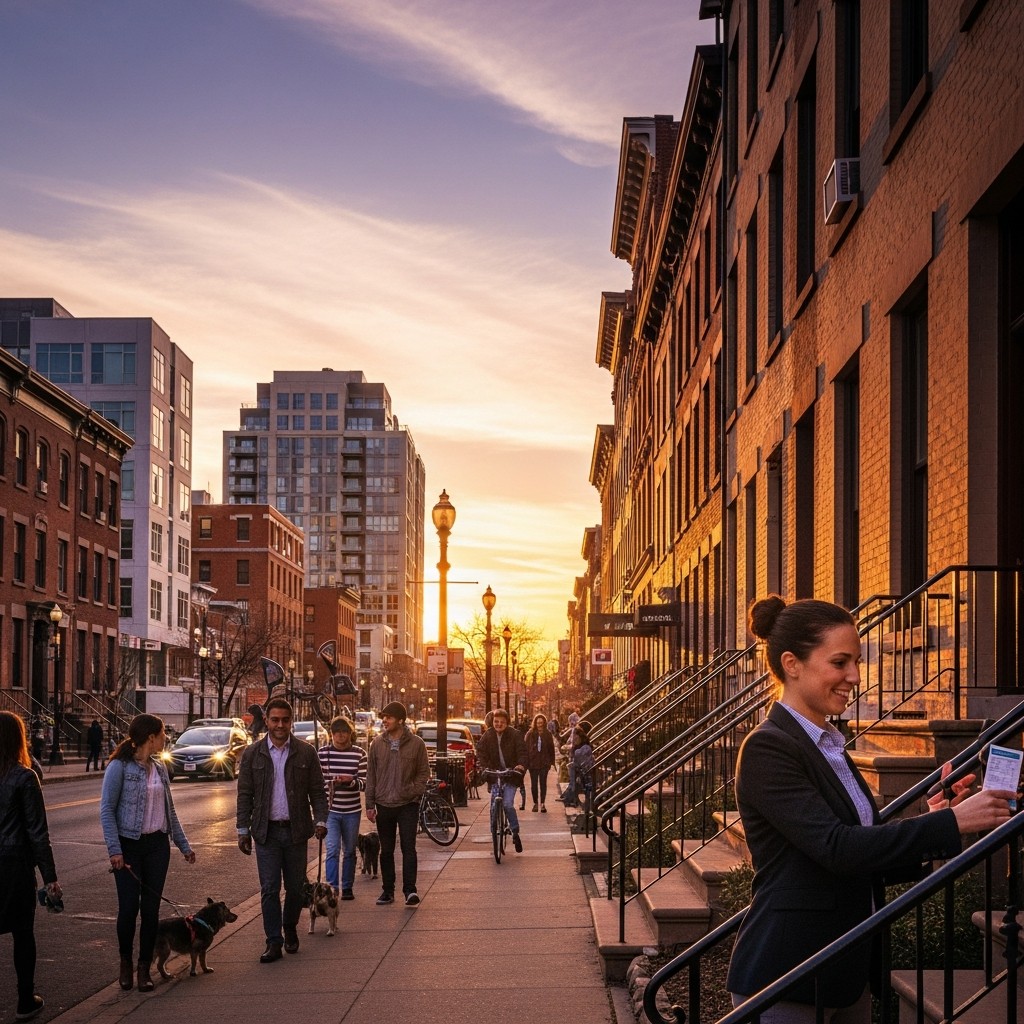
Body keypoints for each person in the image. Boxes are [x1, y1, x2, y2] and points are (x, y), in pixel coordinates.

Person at [726, 596, 1017, 1024]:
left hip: (846, 970)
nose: (854, 677)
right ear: (792, 663)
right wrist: (952, 822)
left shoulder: (829, 745)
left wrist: (937, 815)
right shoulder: (770, 747)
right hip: (789, 975)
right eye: (840, 662)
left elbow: (862, 852)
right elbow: (837, 848)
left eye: (857, 662)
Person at [99, 713, 194, 993]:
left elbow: (170, 811)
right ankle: (126, 963)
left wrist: (184, 846)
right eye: (163, 733)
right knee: (129, 909)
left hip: (157, 847)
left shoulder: (160, 769)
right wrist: (114, 850)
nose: (166, 738)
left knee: (150, 911)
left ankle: (144, 968)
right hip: (129, 846)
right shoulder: (119, 767)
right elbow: (107, 810)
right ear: (151, 737)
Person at [236, 698, 328, 963]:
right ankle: (273, 941)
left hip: (296, 831)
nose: (279, 725)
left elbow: (318, 792)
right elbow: (245, 794)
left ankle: (289, 928)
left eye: (284, 720)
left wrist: (321, 820)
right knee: (269, 888)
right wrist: (242, 829)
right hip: (266, 833)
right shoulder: (253, 753)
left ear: (291, 721)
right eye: (274, 720)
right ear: (266, 720)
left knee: (296, 888)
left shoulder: (305, 752)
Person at [0, 713, 62, 1022]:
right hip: (13, 866)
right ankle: (25, 1000)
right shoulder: (24, 777)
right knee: (22, 933)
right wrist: (49, 877)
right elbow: (38, 832)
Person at [364, 701, 429, 906]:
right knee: (387, 850)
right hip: (384, 804)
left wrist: (411, 791)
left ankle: (410, 891)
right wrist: (370, 804)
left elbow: (424, 773)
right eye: (384, 717)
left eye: (389, 717)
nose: (385, 720)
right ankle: (387, 891)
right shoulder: (376, 744)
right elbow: (371, 775)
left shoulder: (417, 743)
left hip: (408, 804)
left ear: (400, 720)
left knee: (409, 848)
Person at [317, 716, 367, 900]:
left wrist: (351, 781)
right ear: (331, 734)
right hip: (331, 811)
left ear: (349, 734)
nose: (340, 736)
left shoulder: (359, 754)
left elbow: (365, 783)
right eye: (337, 732)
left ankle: (347, 887)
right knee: (332, 850)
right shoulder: (322, 754)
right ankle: (332, 887)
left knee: (350, 850)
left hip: (352, 810)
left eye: (344, 732)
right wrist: (333, 782)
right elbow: (317, 783)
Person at [476, 707, 528, 852]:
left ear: (507, 723)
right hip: (495, 775)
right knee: (494, 804)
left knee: (507, 804)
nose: (498, 724)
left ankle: (515, 832)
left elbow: (522, 753)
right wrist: (484, 767)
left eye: (502, 722)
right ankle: (494, 831)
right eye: (496, 721)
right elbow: (480, 752)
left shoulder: (515, 735)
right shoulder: (488, 735)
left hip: (510, 775)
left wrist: (520, 766)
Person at [523, 713, 556, 812]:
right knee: (534, 784)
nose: (540, 725)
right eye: (538, 723)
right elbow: (525, 748)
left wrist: (552, 762)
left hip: (544, 763)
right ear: (535, 723)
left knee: (543, 784)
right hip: (533, 763)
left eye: (541, 723)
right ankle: (535, 803)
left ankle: (542, 804)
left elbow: (551, 749)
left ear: (544, 723)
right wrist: (526, 762)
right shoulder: (530, 733)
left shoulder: (547, 734)